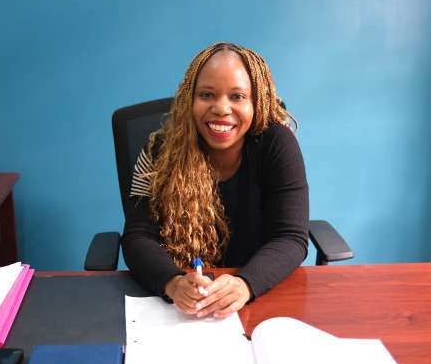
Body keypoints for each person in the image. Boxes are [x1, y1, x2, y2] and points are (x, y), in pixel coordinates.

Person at [122, 42, 308, 319]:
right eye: (207, 94)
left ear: (257, 101)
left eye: (237, 96)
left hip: (256, 301)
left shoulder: (277, 144)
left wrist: (246, 284)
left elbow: (291, 237)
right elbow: (138, 235)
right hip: (180, 308)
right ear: (189, 99)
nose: (222, 108)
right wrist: (172, 282)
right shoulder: (159, 149)